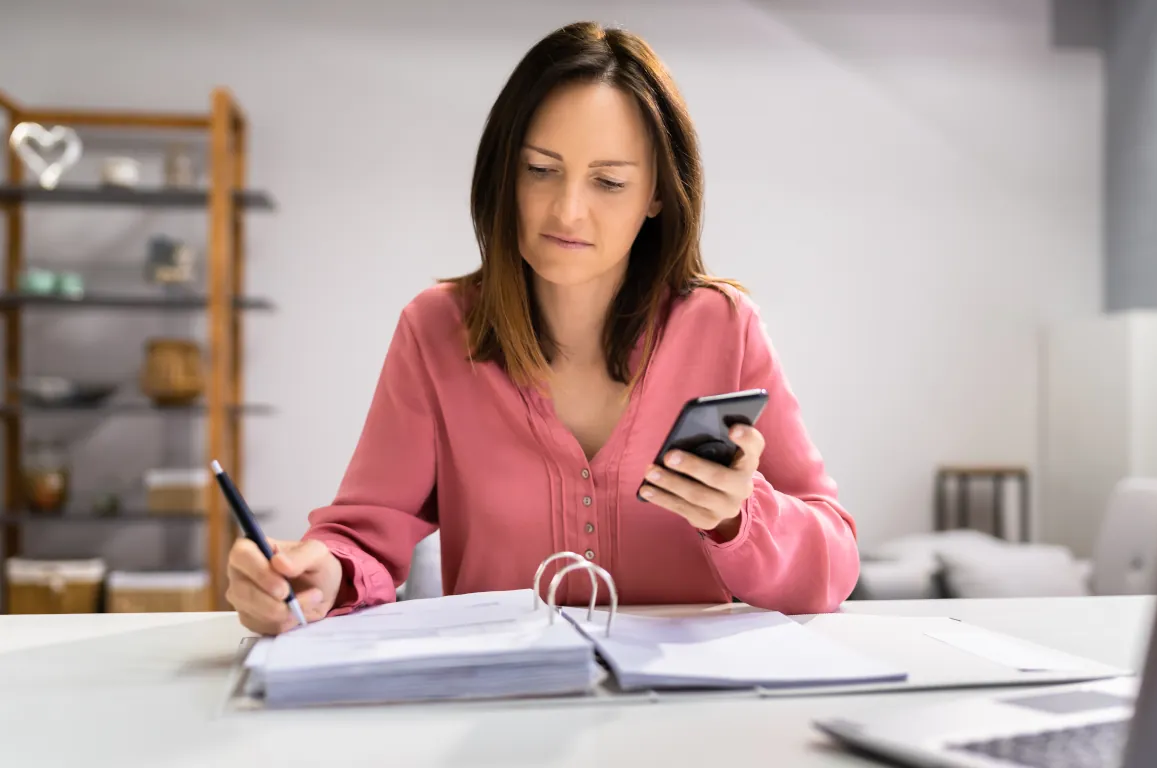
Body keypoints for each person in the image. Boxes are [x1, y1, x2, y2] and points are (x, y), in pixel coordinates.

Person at [226, 21, 859, 636]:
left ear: (658, 195)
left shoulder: (725, 328)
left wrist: (738, 518)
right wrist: (318, 573)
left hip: (681, 717)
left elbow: (834, 563)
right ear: (506, 173)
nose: (567, 210)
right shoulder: (437, 329)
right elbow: (363, 538)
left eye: (609, 181)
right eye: (540, 170)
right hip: (503, 712)